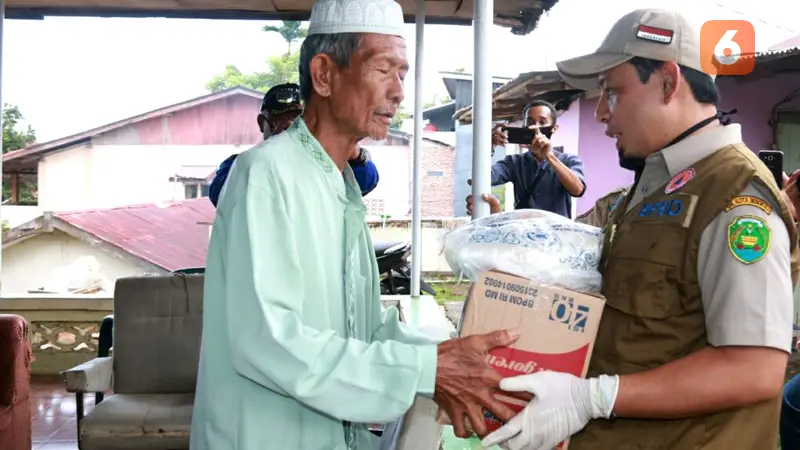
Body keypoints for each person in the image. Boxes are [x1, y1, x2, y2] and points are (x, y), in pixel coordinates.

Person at [189, 1, 519, 449]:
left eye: (403, 73)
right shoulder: (265, 173)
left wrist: (451, 350)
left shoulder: (341, 183)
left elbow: (360, 330)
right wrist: (428, 370)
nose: (399, 91)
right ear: (324, 75)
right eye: (383, 68)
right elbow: (267, 340)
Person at [482, 8, 798, 450]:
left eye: (614, 93)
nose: (602, 115)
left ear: (669, 82)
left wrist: (590, 397)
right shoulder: (655, 185)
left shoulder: (735, 198)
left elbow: (753, 370)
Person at [207, 82, 380, 207]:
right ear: (262, 123)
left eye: (299, 123)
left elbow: (365, 181)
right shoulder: (239, 164)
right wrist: (272, 152)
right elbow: (220, 196)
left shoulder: (322, 164)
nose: (290, 131)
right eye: (278, 122)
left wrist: (354, 154)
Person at [488, 99, 586, 218]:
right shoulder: (513, 163)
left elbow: (578, 190)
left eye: (542, 122)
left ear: (554, 128)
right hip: (525, 232)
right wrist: (489, 146)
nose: (535, 127)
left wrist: (549, 156)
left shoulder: (569, 160)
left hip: (557, 233)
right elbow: (483, 178)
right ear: (524, 126)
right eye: (530, 122)